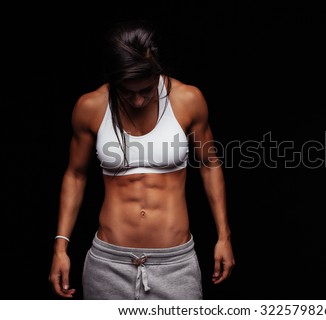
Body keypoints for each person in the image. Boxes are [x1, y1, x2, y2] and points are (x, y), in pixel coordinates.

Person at [48, 19, 235, 300]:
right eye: (127, 92)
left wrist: (224, 236)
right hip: (108, 262)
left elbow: (210, 165)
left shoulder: (187, 100)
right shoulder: (91, 107)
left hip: (175, 264)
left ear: (157, 70)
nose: (137, 101)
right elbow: (76, 175)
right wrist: (60, 247)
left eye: (146, 90)